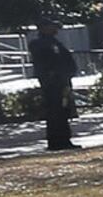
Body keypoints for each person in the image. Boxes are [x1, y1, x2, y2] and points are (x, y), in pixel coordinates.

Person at [26, 14, 79, 150]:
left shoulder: (55, 43)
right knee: (54, 111)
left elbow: (66, 59)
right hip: (52, 84)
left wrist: (69, 73)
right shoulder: (38, 44)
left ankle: (65, 140)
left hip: (62, 81)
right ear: (43, 28)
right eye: (51, 26)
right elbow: (45, 63)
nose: (54, 29)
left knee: (63, 110)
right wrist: (53, 74)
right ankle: (55, 141)